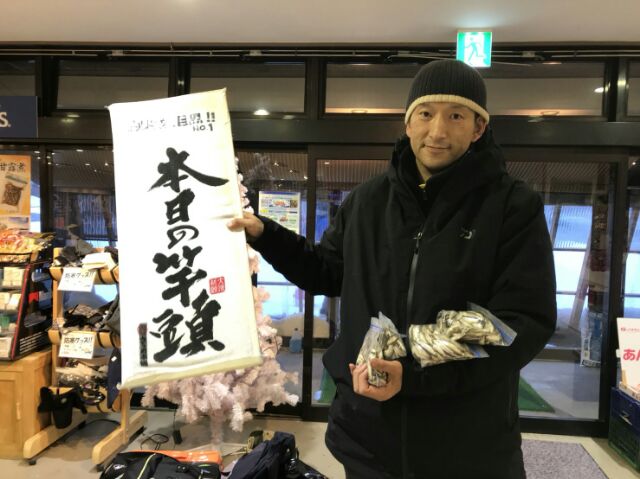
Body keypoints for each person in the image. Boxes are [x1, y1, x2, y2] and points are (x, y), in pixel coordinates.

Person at [228, 59, 556, 479]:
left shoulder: (512, 206)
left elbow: (519, 320)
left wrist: (412, 368)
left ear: (479, 127)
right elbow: (325, 271)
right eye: (426, 114)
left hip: (467, 444)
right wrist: (266, 234)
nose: (437, 131)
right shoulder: (367, 202)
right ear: (407, 123)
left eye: (456, 116)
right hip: (367, 437)